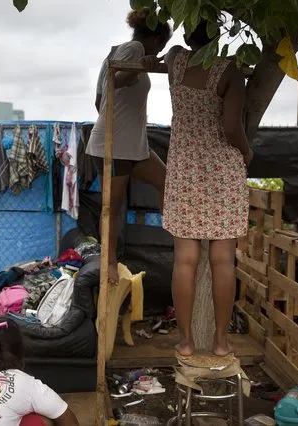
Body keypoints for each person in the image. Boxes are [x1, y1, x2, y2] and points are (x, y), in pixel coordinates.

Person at [160, 20, 252, 359]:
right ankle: (221, 342)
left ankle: (185, 341)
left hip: (184, 171)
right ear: (219, 36)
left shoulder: (174, 60)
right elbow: (230, 127)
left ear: (187, 36)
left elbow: (169, 57)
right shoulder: (230, 72)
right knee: (223, 260)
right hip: (222, 173)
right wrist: (246, 150)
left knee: (185, 260)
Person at [86, 8, 172, 284]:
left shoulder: (115, 51)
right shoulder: (134, 49)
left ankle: (175, 236)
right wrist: (136, 72)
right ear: (158, 38)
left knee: (166, 181)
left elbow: (99, 101)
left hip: (133, 145)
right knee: (112, 207)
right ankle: (109, 262)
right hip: (116, 146)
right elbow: (116, 80)